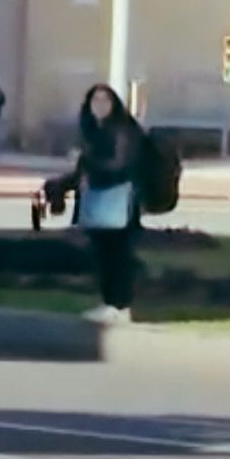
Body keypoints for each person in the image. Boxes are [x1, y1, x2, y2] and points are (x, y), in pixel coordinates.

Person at [44, 84, 146, 324]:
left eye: (105, 101)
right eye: (95, 101)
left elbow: (120, 166)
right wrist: (59, 185)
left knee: (117, 255)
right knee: (103, 255)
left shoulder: (122, 130)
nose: (99, 106)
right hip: (99, 204)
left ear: (114, 104)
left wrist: (89, 163)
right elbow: (83, 172)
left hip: (120, 203)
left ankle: (120, 305)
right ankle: (110, 302)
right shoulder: (93, 131)